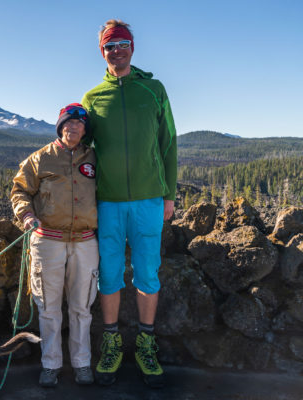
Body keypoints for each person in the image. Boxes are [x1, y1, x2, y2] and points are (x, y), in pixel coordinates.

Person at [81, 19, 177, 388]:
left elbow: (169, 142)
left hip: (150, 200)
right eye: (110, 46)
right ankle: (111, 344)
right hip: (107, 203)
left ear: (132, 48)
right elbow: (79, 148)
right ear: (101, 52)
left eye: (122, 44)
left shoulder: (154, 89)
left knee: (147, 274)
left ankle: (146, 345)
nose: (116, 50)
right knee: (108, 276)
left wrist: (168, 194)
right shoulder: (93, 98)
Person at [10, 103, 99, 387]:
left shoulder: (95, 158)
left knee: (82, 307)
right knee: (48, 307)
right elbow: (19, 190)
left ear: (85, 129)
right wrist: (26, 214)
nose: (73, 127)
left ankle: (82, 363)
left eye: (79, 123)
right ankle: (50, 365)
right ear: (60, 127)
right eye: (68, 123)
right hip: (47, 240)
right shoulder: (39, 159)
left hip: (85, 242)